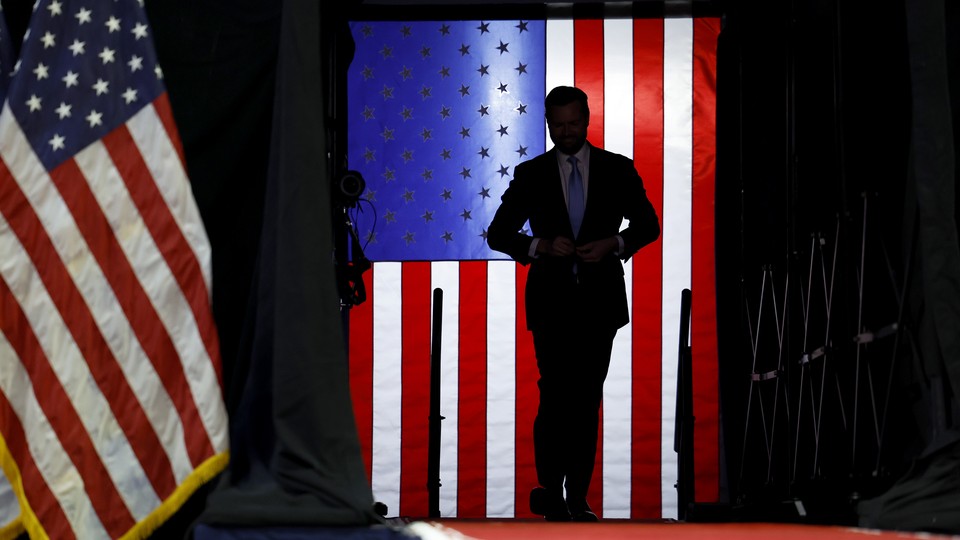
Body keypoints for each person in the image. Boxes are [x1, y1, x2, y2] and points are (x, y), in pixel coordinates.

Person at [487, 86, 660, 522]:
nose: (566, 132)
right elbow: (499, 233)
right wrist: (541, 244)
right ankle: (550, 489)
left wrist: (614, 243)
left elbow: (648, 225)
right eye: (557, 125)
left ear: (587, 120)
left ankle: (577, 497)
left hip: (600, 305)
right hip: (550, 304)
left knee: (586, 398)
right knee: (555, 394)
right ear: (548, 123)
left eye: (573, 123)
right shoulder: (531, 173)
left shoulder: (617, 169)